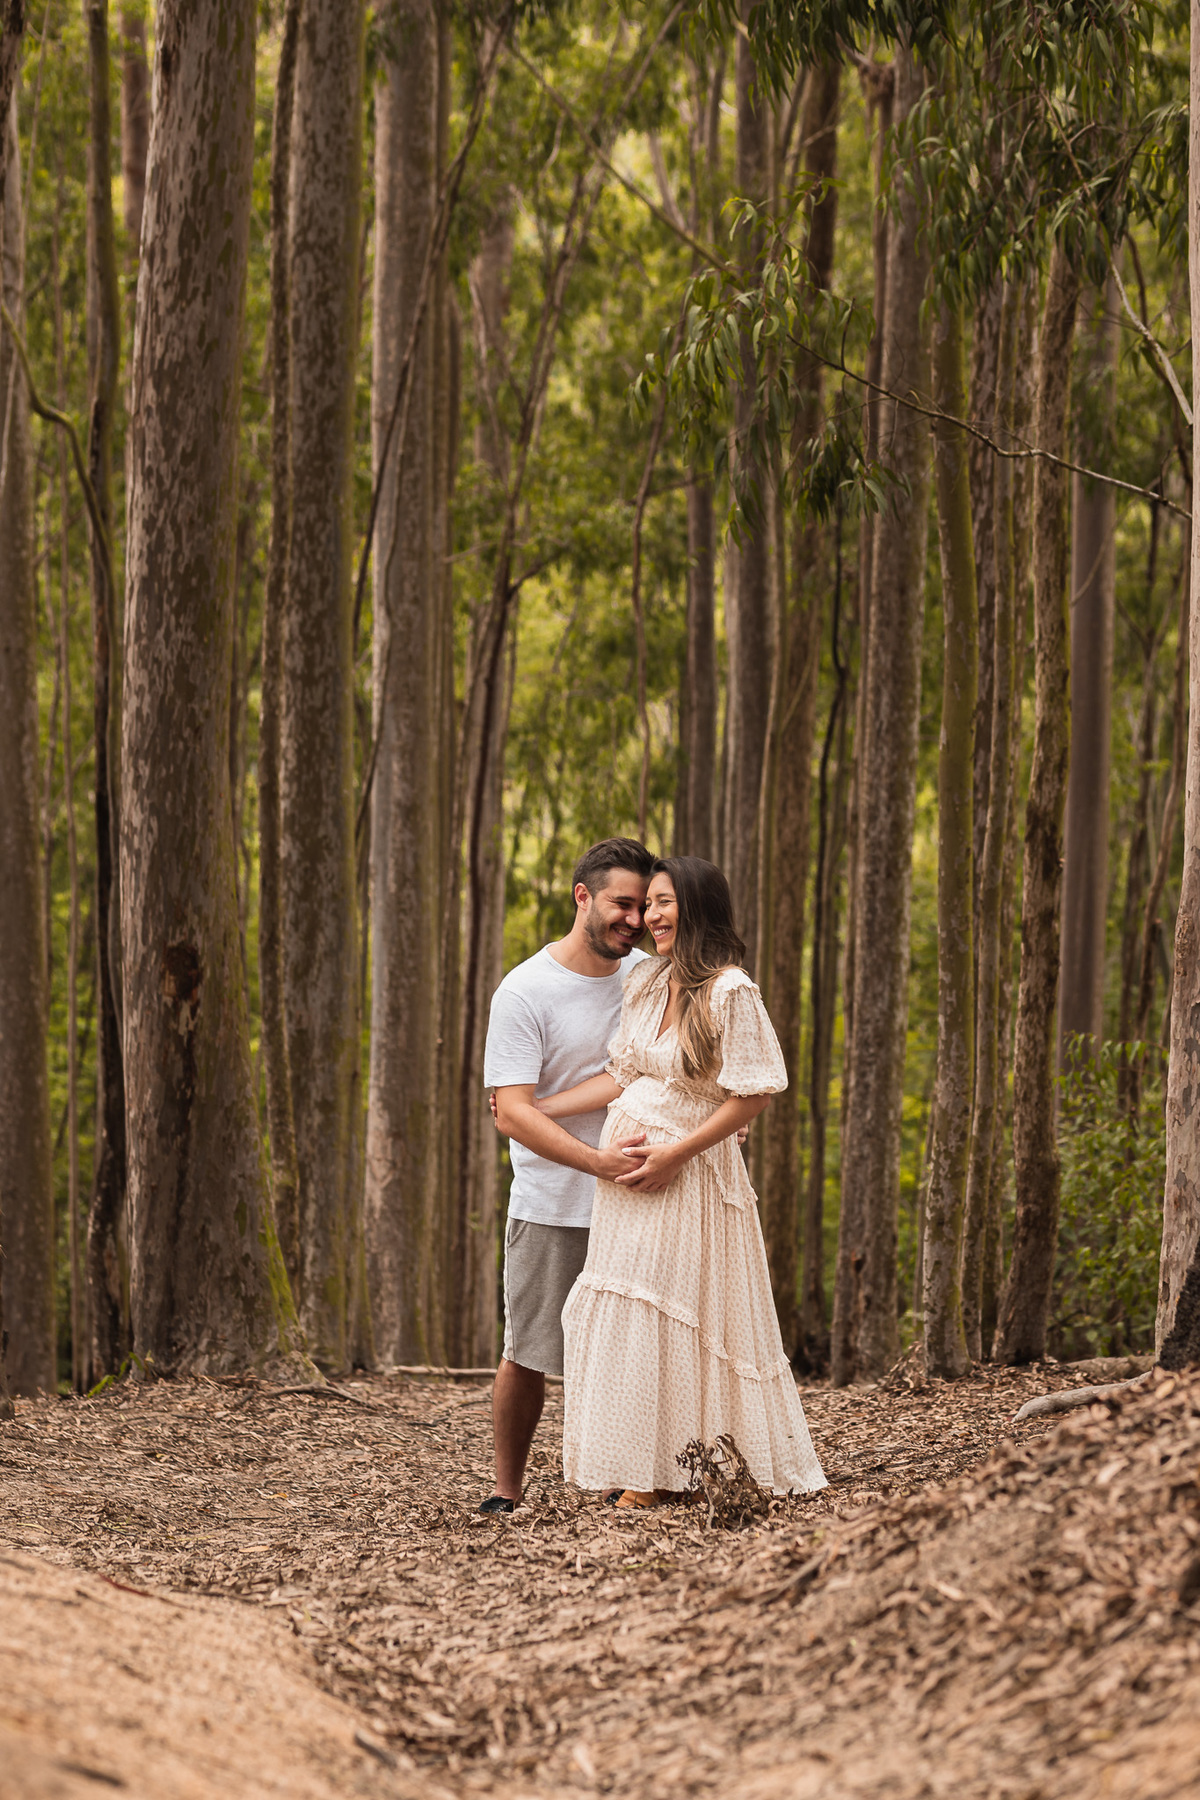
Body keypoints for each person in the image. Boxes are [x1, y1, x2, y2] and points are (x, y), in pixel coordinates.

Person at [535, 855, 827, 1507]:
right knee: (624, 1306)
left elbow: (752, 1094)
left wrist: (676, 1154)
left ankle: (660, 1477)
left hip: (690, 1179)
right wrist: (542, 1108)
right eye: (646, 906)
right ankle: (635, 1462)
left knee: (673, 1313)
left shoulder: (730, 991)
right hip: (626, 1188)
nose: (651, 917)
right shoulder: (643, 985)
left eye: (664, 902)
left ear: (698, 908)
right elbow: (625, 1075)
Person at [478, 837, 656, 1515]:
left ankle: (622, 1474)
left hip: (641, 1197)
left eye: (642, 906)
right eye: (622, 903)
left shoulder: (649, 978)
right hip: (553, 1200)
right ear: (583, 897)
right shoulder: (526, 991)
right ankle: (506, 1489)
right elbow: (513, 1117)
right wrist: (594, 1163)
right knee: (528, 1349)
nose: (634, 919)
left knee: (626, 1348)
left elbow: (652, 1068)